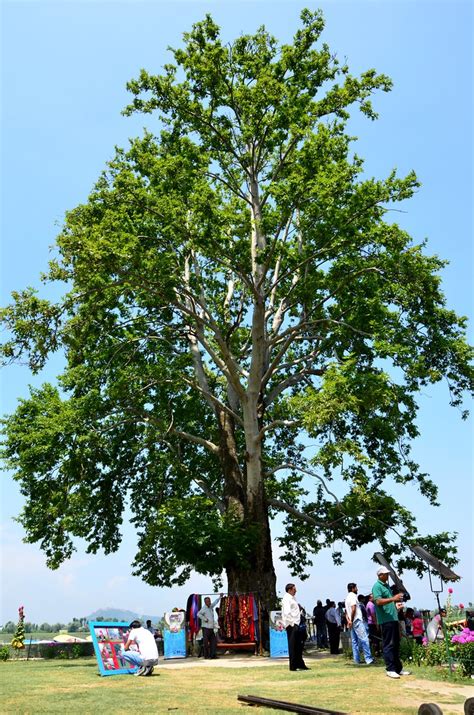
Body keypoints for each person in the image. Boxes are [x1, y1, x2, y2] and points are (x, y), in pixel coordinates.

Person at [372, 566, 411, 679]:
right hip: (385, 620)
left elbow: (389, 601)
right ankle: (390, 669)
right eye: (385, 574)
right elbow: (378, 601)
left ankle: (398, 668)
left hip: (393, 618)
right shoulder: (377, 586)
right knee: (388, 644)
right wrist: (393, 599)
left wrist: (395, 604)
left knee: (396, 644)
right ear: (380, 575)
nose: (387, 575)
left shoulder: (387, 586)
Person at [281, 583, 309, 671]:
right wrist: (292, 623)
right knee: (292, 645)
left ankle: (299, 663)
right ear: (289, 590)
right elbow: (287, 612)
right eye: (294, 589)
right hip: (291, 625)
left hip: (296, 624)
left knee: (298, 645)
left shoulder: (293, 598)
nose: (295, 591)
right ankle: (293, 665)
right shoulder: (287, 598)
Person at [345, 583, 374, 665]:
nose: (357, 589)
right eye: (356, 588)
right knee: (364, 639)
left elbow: (346, 612)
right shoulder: (353, 596)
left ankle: (356, 660)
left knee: (355, 642)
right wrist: (352, 619)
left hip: (352, 622)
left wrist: (349, 621)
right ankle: (368, 659)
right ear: (353, 589)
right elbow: (353, 608)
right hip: (357, 620)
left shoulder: (347, 598)